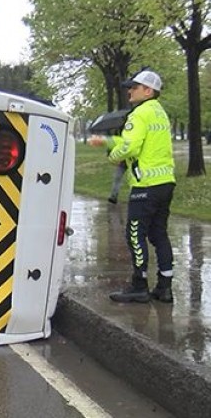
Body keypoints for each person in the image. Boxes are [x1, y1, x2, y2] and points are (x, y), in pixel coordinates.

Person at [88, 70, 176, 303]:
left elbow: (130, 147)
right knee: (159, 234)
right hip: (165, 184)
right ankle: (165, 287)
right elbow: (134, 141)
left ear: (148, 91)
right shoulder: (159, 113)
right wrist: (106, 140)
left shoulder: (138, 114)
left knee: (135, 235)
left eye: (134, 87)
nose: (129, 91)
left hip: (145, 185)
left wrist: (112, 156)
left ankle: (139, 285)